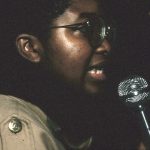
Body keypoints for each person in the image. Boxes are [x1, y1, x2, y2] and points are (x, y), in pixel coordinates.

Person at [0, 0, 143, 149]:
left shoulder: (57, 127)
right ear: (31, 48)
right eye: (86, 28)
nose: (105, 46)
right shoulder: (19, 125)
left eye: (105, 31)